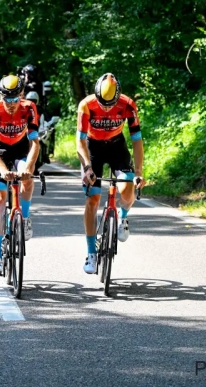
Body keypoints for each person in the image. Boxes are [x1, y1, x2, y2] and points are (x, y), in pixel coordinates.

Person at [76, 73, 144, 274]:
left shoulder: (128, 105)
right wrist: (87, 167)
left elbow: (137, 140)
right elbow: (79, 141)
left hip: (116, 147)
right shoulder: (86, 105)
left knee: (127, 190)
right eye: (102, 104)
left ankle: (122, 218)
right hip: (92, 149)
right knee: (92, 199)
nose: (106, 108)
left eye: (110, 105)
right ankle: (91, 253)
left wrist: (138, 171)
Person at [0, 75, 40, 276]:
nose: (10, 104)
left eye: (14, 99)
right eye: (6, 99)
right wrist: (1, 170)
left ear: (21, 95)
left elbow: (34, 142)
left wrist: (29, 167)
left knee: (28, 179)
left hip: (20, 150)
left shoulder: (29, 108)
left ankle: (24, 218)